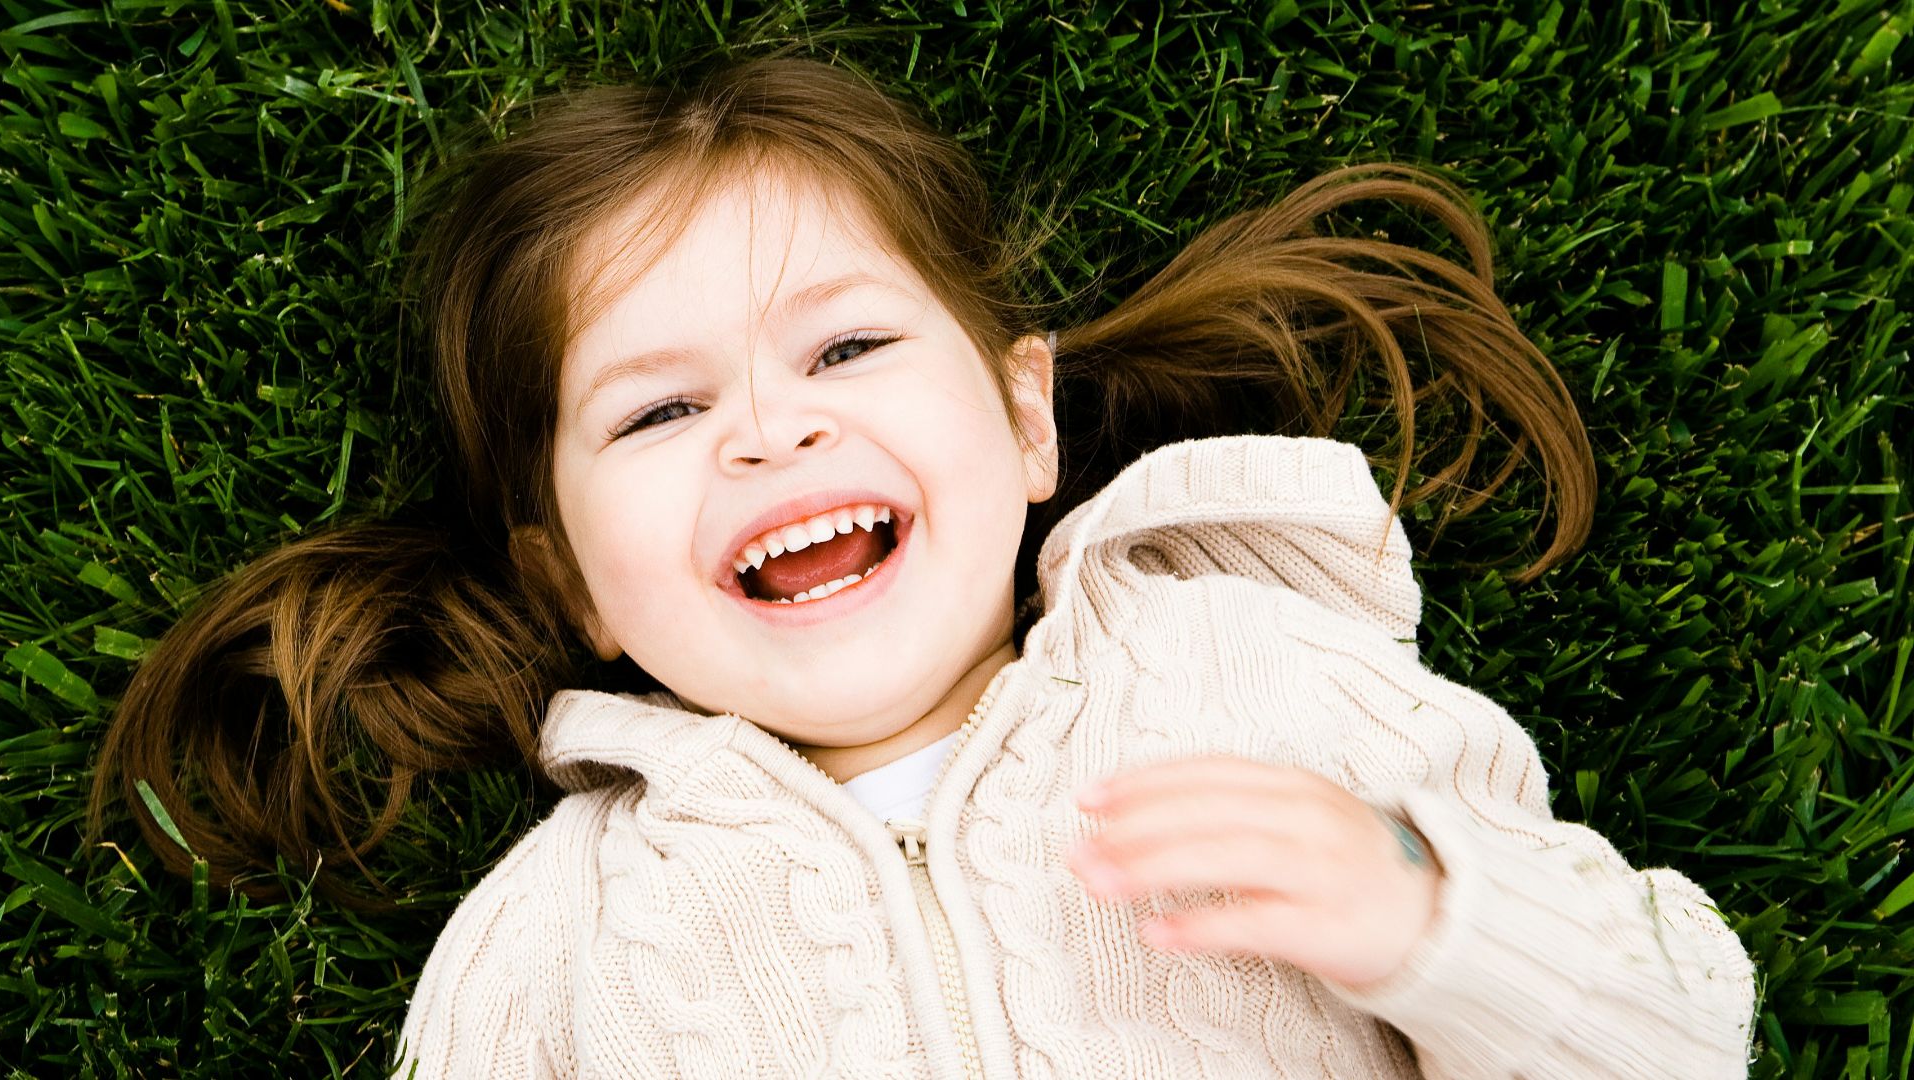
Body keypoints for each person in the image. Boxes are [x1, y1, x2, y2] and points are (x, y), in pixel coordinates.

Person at [87, 53, 1757, 1078]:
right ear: (571, 584)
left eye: (848, 348)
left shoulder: (1257, 681)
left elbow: (1682, 1034)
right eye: (661, 408)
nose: (768, 436)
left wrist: (1427, 913)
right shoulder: (558, 942)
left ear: (1028, 421)